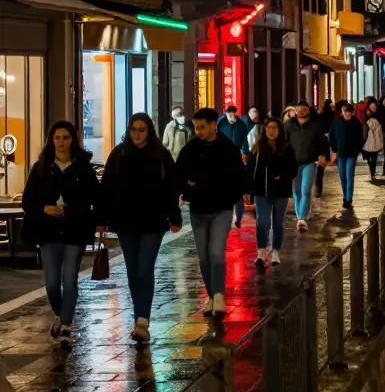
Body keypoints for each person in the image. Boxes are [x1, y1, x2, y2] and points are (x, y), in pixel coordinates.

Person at [97, 113, 182, 344]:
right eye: (134, 129)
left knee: (145, 268)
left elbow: (171, 188)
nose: (137, 133)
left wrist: (174, 216)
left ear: (149, 131)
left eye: (141, 129)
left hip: (153, 221)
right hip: (125, 221)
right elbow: (107, 188)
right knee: (133, 271)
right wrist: (102, 218)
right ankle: (139, 317)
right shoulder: (119, 154)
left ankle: (142, 319)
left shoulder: (160, 155)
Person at [21, 121, 99, 348]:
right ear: (51, 140)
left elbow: (93, 197)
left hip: (75, 230)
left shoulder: (83, 167)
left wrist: (74, 209)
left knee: (70, 280)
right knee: (53, 282)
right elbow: (28, 200)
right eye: (57, 137)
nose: (61, 141)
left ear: (72, 139)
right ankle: (59, 312)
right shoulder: (42, 167)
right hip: (48, 232)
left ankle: (66, 325)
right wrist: (44, 208)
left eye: (66, 137)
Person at [177, 108, 244, 319]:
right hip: (198, 209)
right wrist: (188, 191)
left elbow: (239, 176)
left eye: (202, 127)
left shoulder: (227, 148)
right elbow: (179, 175)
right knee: (203, 257)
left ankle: (219, 295)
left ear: (213, 124)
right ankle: (211, 295)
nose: (198, 131)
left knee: (216, 251)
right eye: (196, 127)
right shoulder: (190, 149)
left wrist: (230, 197)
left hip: (221, 208)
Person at [244, 117, 297, 266]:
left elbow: (293, 168)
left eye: (274, 127)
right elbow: (249, 170)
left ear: (279, 130)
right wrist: (247, 190)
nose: (271, 130)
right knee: (262, 222)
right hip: (262, 191)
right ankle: (261, 252)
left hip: (281, 191)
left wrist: (282, 176)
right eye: (268, 127)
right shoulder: (257, 148)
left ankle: (275, 252)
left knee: (278, 222)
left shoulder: (286, 148)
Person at [284, 100, 329, 231]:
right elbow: (284, 143)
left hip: (309, 162)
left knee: (305, 189)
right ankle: (300, 216)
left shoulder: (315, 125)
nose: (301, 111)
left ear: (308, 110)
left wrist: (322, 155)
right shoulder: (288, 125)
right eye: (299, 108)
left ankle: (302, 218)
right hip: (293, 163)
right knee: (296, 191)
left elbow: (322, 142)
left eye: (304, 109)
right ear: (295, 110)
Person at [216, 105, 251, 228]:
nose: (231, 115)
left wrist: (245, 152)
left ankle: (238, 217)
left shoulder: (241, 125)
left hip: (237, 160)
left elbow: (245, 140)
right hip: (222, 161)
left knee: (238, 189)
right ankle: (226, 216)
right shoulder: (220, 124)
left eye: (233, 113)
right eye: (229, 113)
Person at [328, 103, 364, 210]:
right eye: (344, 111)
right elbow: (332, 136)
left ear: (351, 112)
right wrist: (335, 149)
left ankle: (348, 198)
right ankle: (345, 196)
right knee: (343, 177)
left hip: (352, 154)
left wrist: (358, 148)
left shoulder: (356, 122)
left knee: (349, 176)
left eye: (348, 111)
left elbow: (360, 137)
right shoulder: (337, 122)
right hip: (341, 153)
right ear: (342, 112)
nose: (346, 113)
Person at [362, 102, 385, 179]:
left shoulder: (368, 118)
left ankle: (372, 171)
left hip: (372, 140)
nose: (374, 108)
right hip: (373, 139)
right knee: (373, 156)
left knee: (372, 156)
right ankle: (372, 171)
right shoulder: (375, 117)